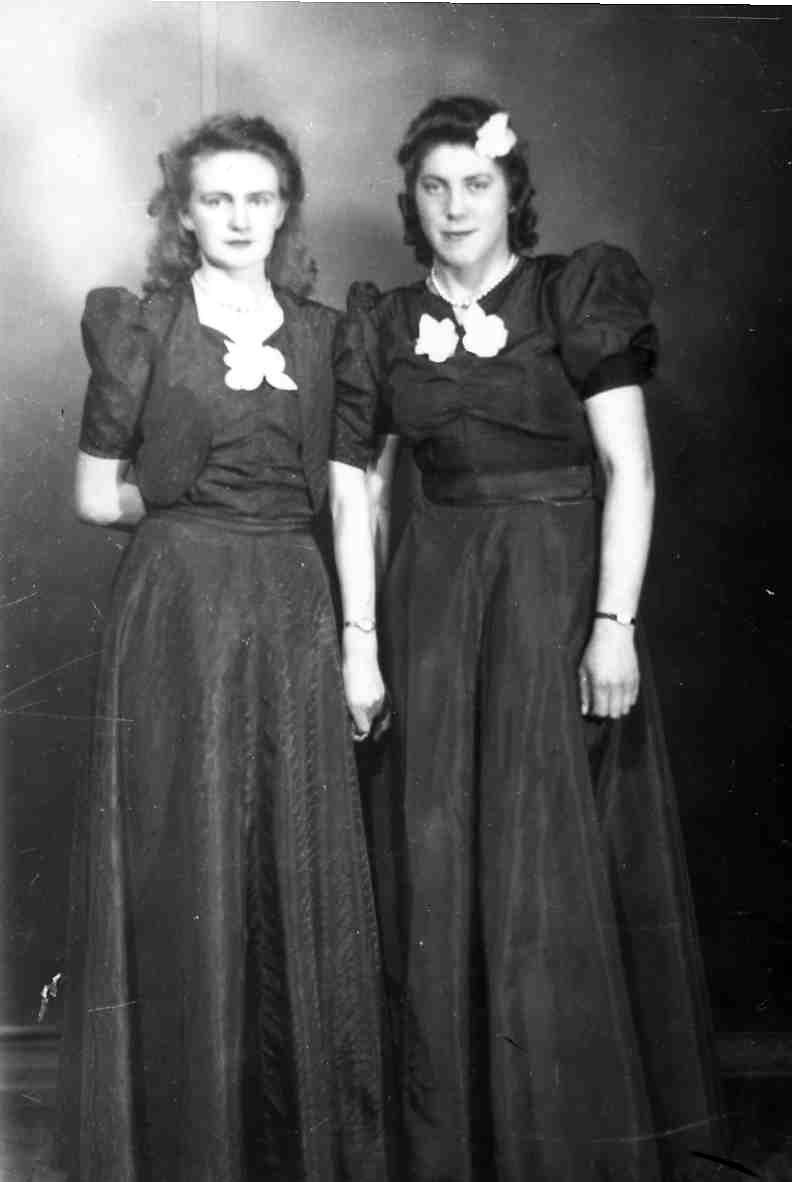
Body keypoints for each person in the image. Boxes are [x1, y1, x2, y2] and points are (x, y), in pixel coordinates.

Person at [329, 95, 724, 1182]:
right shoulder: (383, 321)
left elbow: (630, 470)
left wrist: (613, 625)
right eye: (434, 186)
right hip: (432, 604)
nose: (456, 206)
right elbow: (363, 492)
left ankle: (561, 1141)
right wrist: (361, 641)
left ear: (513, 194)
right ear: (411, 200)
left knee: (544, 860)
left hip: (554, 598)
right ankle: (452, 1142)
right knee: (439, 854)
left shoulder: (570, 293)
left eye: (478, 184)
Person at [55, 113, 389, 1182]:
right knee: (183, 851)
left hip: (293, 604)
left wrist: (362, 646)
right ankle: (183, 1140)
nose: (239, 218)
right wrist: (189, 507)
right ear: (184, 215)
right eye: (216, 199)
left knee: (290, 853)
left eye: (258, 198)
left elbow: (351, 502)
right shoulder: (143, 326)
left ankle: (284, 1140)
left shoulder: (329, 335)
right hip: (178, 610)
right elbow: (95, 496)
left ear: (284, 209)